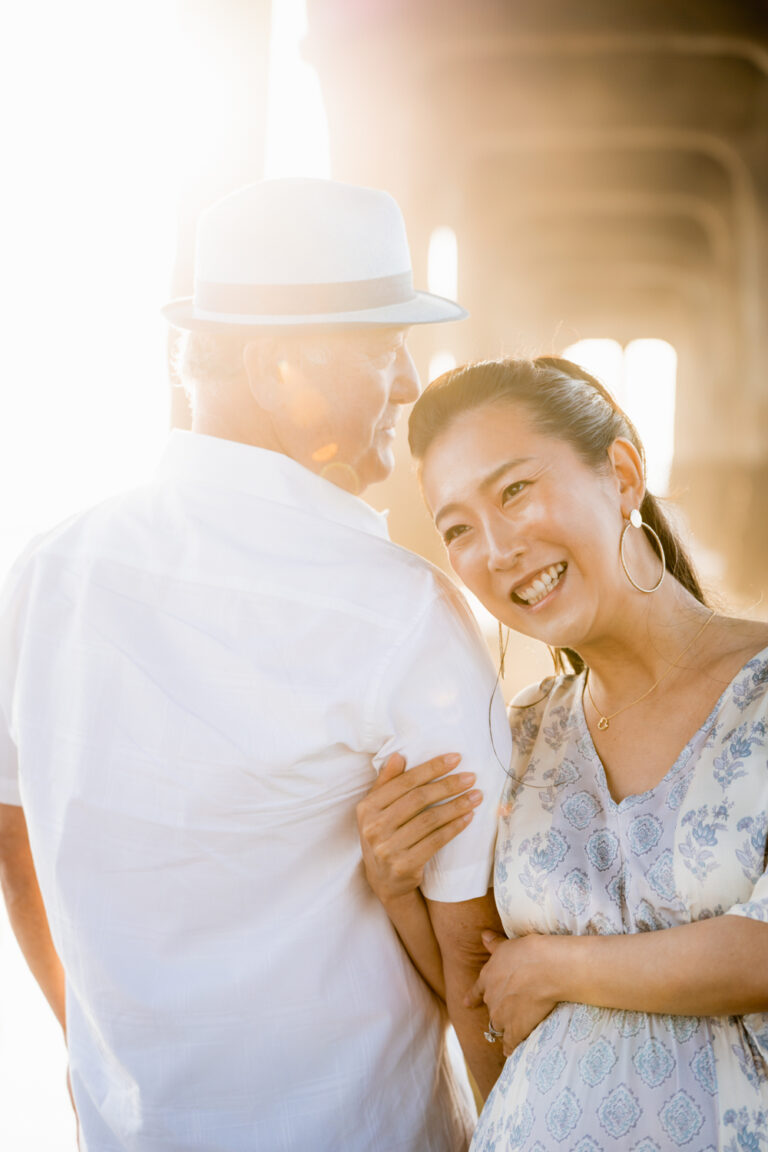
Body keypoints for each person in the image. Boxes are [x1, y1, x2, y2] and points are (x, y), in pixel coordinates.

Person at [0, 179, 513, 1152]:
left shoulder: (47, 572)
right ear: (281, 368)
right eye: (380, 349)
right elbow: (477, 969)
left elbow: (16, 844)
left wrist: (86, 1052)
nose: (408, 385)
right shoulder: (403, 613)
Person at [357, 356, 768, 1150]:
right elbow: (480, 1005)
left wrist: (555, 967)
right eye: (458, 530)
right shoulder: (516, 739)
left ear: (621, 472)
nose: (498, 548)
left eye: (514, 490)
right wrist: (398, 887)